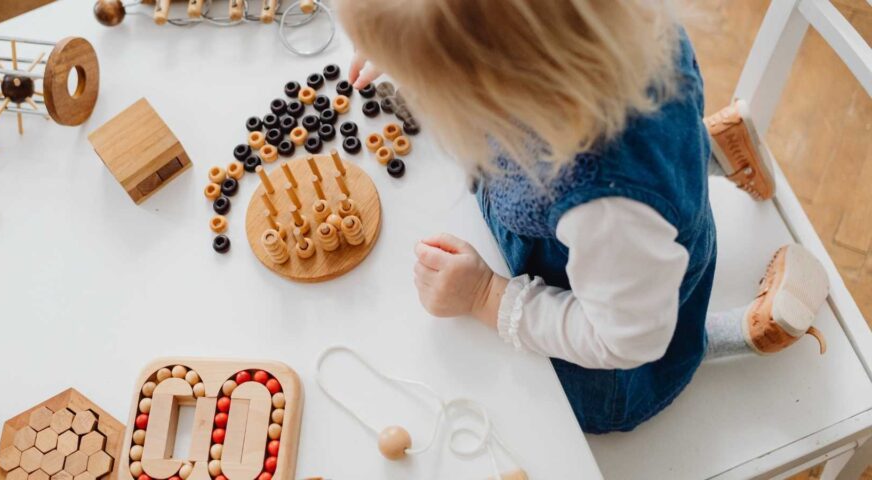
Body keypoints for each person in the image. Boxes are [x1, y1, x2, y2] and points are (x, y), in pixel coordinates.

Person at [339, 0, 831, 433]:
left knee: (517, 388)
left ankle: (720, 338)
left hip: (615, 348)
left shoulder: (603, 205)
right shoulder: (614, 24)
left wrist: (486, 296)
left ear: (497, 87)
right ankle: (703, 153)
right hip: (635, 222)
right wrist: (415, 39)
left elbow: (627, 339)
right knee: (654, 173)